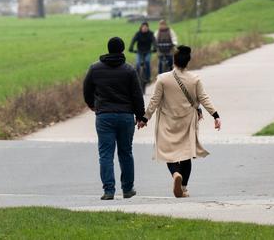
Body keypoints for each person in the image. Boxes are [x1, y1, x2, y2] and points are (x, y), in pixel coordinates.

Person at [144, 45, 220, 198]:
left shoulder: (163, 79)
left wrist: (145, 117)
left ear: (174, 60)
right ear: (187, 62)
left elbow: (154, 101)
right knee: (186, 153)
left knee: (168, 153)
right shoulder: (195, 79)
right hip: (187, 122)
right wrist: (215, 115)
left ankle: (175, 174)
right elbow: (204, 98)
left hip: (167, 121)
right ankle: (183, 187)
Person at [82, 36, 145, 201]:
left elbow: (86, 89)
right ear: (122, 50)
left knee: (105, 154)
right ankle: (127, 189)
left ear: (108, 49)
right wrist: (141, 116)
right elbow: (137, 95)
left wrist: (91, 104)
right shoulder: (129, 70)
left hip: (104, 116)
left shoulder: (95, 69)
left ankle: (109, 191)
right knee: (126, 152)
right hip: (125, 116)